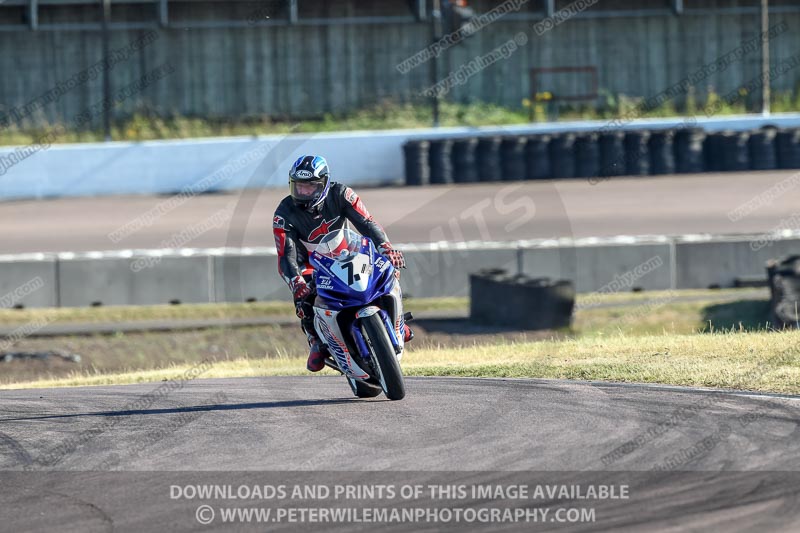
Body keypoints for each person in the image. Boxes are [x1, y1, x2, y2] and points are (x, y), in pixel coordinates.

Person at [273, 155, 413, 372]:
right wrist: (296, 281)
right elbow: (285, 255)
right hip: (313, 265)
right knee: (304, 298)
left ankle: (397, 323)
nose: (303, 192)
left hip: (349, 252)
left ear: (324, 184)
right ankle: (316, 342)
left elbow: (367, 223)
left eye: (310, 187)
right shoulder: (283, 213)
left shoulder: (342, 194)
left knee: (388, 269)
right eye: (298, 187)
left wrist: (386, 248)